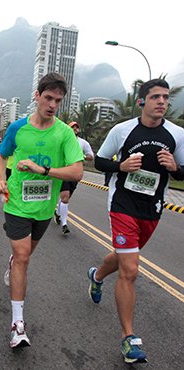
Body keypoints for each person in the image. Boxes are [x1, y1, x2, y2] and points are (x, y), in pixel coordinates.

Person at [88, 79, 184, 364]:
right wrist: (122, 166)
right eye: (155, 97)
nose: (162, 102)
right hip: (122, 204)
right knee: (130, 269)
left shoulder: (177, 135)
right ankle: (129, 338)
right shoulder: (123, 130)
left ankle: (96, 276)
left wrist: (175, 168)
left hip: (152, 208)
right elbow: (100, 160)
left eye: (166, 97)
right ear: (142, 101)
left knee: (123, 257)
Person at [0, 72, 84, 348]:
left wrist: (42, 169)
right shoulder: (18, 128)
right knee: (22, 256)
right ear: (37, 95)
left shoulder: (64, 133)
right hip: (17, 202)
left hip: (45, 208)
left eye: (58, 100)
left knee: (25, 255)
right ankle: (18, 324)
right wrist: (0, 178)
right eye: (48, 98)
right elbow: (1, 155)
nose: (52, 104)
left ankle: (13, 264)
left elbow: (78, 171)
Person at [54, 121, 94, 234]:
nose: (75, 129)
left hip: (75, 174)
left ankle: (58, 212)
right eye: (72, 127)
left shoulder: (83, 143)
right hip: (64, 171)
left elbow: (91, 156)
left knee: (66, 198)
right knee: (65, 198)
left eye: (76, 127)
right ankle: (64, 224)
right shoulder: (61, 141)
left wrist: (84, 156)